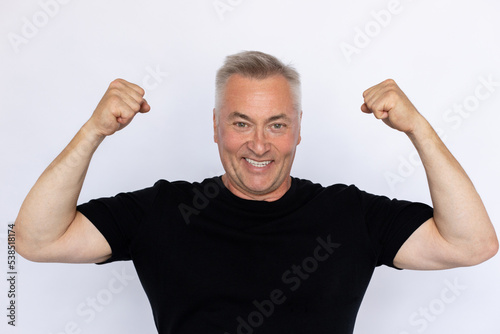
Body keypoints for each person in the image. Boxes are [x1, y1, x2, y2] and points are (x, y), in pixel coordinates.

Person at [14, 51, 498, 334]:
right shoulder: (162, 211)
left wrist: (419, 129)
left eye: (277, 124)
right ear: (216, 126)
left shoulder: (349, 215)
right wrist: (92, 131)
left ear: (298, 129)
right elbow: (35, 240)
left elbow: (471, 244)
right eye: (241, 123)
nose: (260, 144)